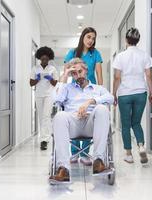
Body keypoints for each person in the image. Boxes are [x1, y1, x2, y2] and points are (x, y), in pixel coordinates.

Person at [50, 58, 113, 182]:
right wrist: (64, 76)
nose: (78, 75)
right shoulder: (67, 88)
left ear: (86, 71)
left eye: (80, 71)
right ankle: (63, 169)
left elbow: (110, 97)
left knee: (101, 109)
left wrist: (90, 101)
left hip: (91, 124)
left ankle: (98, 162)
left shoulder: (97, 89)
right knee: (60, 116)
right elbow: (56, 98)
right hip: (72, 124)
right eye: (74, 73)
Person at [112, 27, 152, 164]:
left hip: (125, 94)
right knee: (136, 122)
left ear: (126, 40)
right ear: (138, 40)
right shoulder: (144, 55)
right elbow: (148, 75)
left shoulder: (120, 56)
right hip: (140, 93)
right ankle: (141, 146)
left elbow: (117, 78)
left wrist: (114, 94)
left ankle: (129, 154)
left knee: (125, 124)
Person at [64, 27, 103, 166]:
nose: (91, 41)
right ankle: (74, 153)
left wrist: (100, 91)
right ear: (83, 37)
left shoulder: (95, 53)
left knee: (88, 114)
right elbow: (66, 71)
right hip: (75, 89)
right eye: (88, 37)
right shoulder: (72, 53)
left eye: (93, 38)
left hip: (89, 89)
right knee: (73, 113)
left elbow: (99, 74)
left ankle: (85, 153)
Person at [30, 46, 58, 150]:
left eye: (46, 59)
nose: (45, 61)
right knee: (41, 117)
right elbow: (31, 83)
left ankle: (44, 140)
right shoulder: (35, 68)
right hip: (39, 94)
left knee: (46, 116)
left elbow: (55, 83)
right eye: (43, 59)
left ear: (49, 58)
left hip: (49, 95)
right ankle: (45, 136)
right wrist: (37, 79)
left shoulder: (52, 69)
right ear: (39, 58)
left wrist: (50, 79)